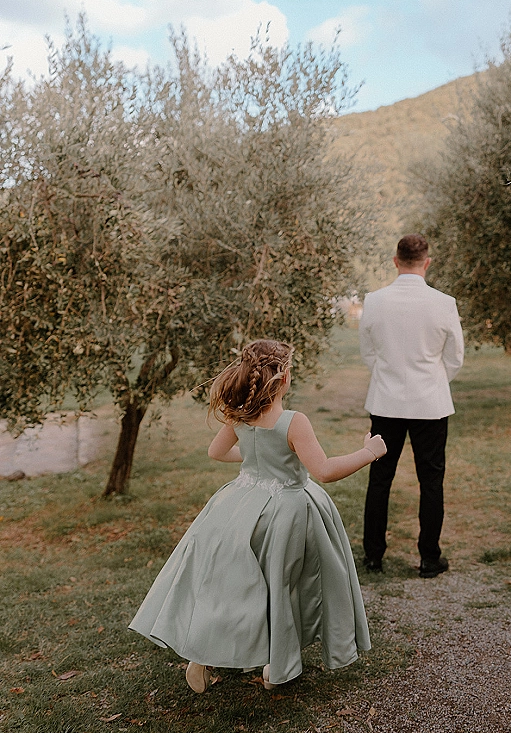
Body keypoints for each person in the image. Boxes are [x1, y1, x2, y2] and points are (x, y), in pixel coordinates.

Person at [129, 339, 386, 693]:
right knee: (284, 586)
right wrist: (369, 451)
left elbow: (216, 452)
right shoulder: (293, 421)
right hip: (287, 514)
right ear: (284, 377)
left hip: (239, 508)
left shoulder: (240, 412)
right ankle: (274, 664)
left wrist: (256, 461)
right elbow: (324, 470)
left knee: (232, 586)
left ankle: (201, 656)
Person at [359, 233, 464, 578]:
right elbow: (455, 358)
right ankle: (429, 559)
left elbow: (368, 353)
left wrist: (389, 378)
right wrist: (431, 383)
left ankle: (373, 556)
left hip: (385, 401)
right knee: (431, 481)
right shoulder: (444, 302)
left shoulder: (374, 301)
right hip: (430, 405)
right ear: (427, 262)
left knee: (380, 478)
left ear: (395, 261)